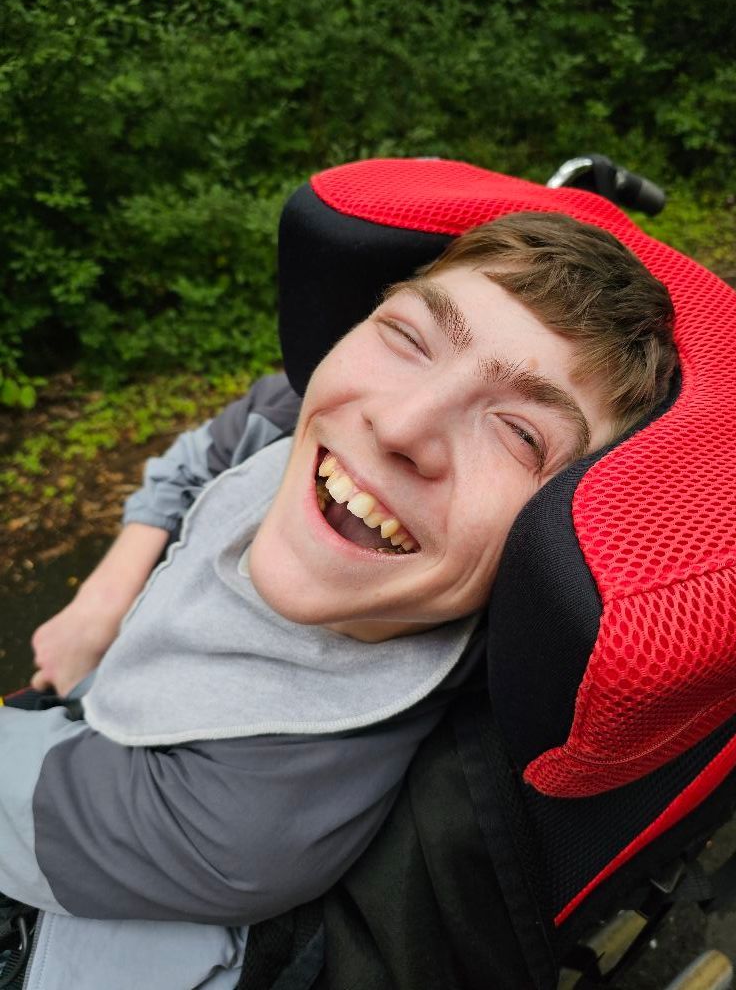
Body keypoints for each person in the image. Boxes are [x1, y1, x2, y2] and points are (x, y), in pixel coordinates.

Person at [2, 213, 676, 989]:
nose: (398, 422)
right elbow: (210, 452)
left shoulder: (252, 818)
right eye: (409, 335)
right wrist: (108, 590)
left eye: (521, 436)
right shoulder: (298, 416)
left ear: (553, 545)